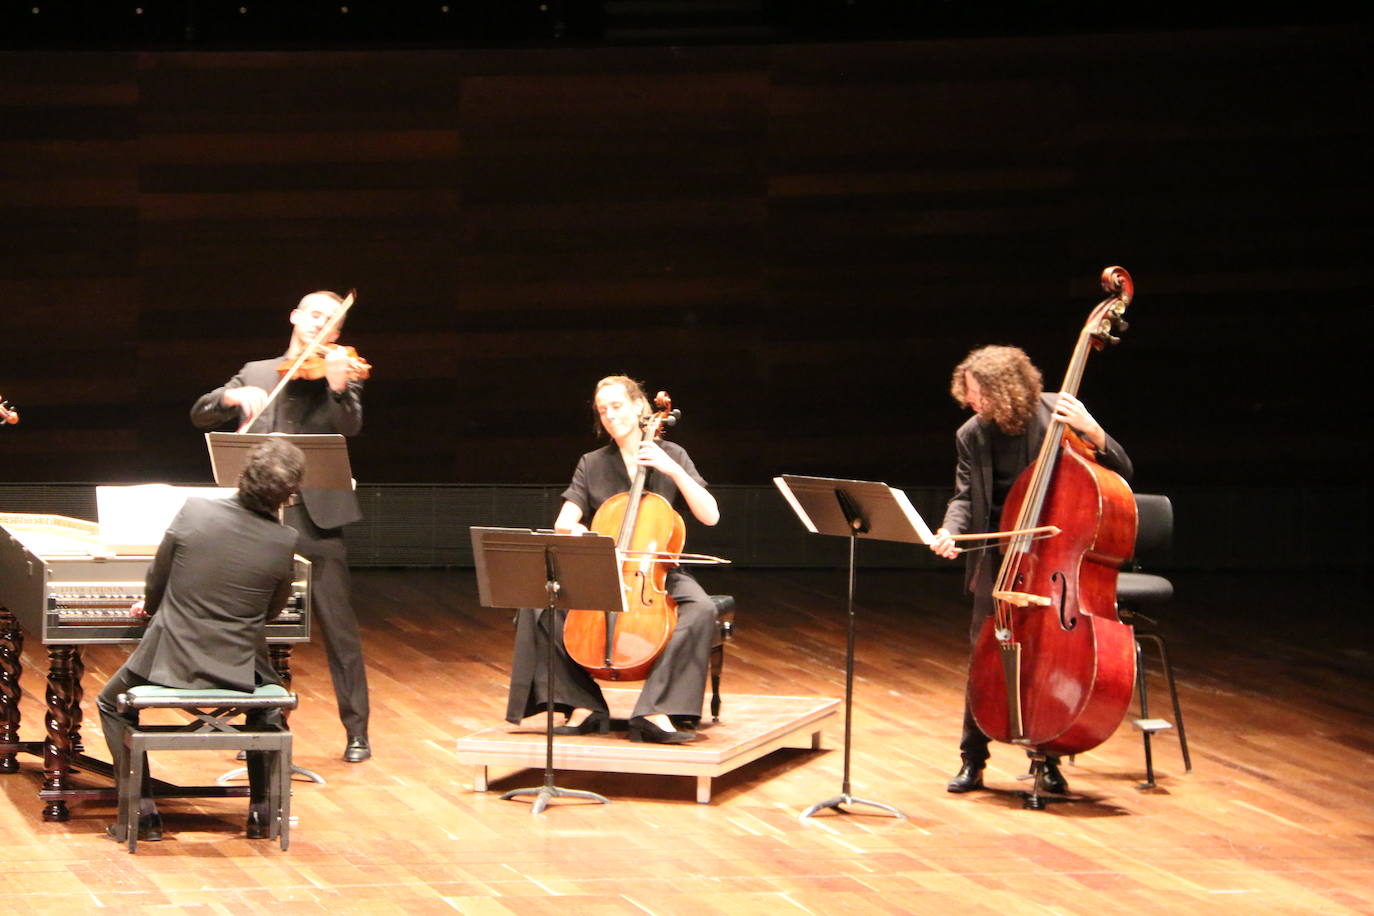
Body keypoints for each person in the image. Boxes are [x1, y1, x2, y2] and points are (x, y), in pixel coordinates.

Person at [928, 345, 1133, 795]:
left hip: (1054, 560)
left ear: (1005, 390)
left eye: (978, 394)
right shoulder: (972, 434)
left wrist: (1093, 431)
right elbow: (964, 497)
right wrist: (949, 529)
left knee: (1048, 658)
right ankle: (972, 758)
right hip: (1002, 560)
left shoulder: (1058, 416)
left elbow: (1122, 469)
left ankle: (1048, 758)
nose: (971, 403)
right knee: (985, 656)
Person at [190, 291, 372, 763]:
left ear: (337, 333)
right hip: (257, 520)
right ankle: (261, 721)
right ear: (294, 316)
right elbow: (200, 413)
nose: (319, 325)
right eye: (313, 314)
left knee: (339, 628)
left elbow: (349, 426)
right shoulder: (255, 371)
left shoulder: (340, 370)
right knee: (249, 625)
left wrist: (335, 387)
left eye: (330, 321)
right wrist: (229, 396)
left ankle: (357, 732)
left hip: (316, 518)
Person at [97, 438, 305, 841]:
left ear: (242, 477)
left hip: (170, 657)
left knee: (111, 703)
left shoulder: (195, 511)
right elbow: (271, 612)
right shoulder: (284, 542)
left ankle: (143, 815)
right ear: (288, 495)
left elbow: (156, 581)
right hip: (238, 665)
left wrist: (153, 606)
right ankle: (262, 817)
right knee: (269, 708)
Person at [505, 375, 720, 744]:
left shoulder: (674, 456)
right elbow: (563, 523)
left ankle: (656, 709)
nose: (609, 415)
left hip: (655, 571)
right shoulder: (592, 463)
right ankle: (583, 703)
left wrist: (673, 471)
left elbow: (710, 515)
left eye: (617, 406)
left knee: (701, 609)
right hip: (603, 568)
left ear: (640, 407)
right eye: (602, 410)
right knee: (538, 607)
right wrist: (582, 534)